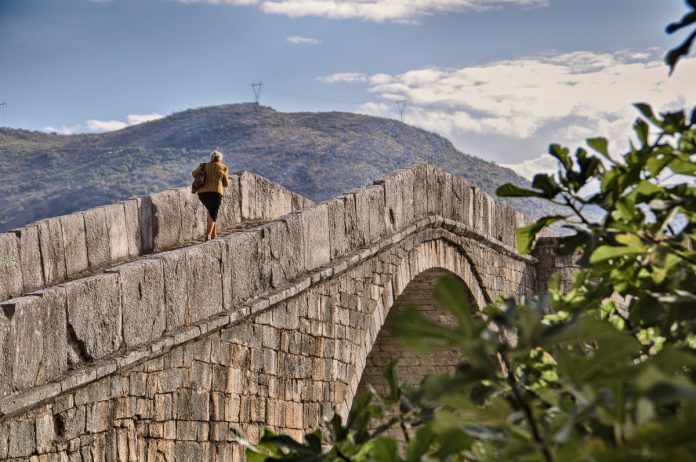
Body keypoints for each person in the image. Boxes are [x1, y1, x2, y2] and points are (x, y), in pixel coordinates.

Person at [192, 150, 229, 241]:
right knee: (213, 213)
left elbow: (194, 174)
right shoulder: (224, 167)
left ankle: (214, 235)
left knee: (211, 212)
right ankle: (208, 236)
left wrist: (201, 166)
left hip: (202, 193)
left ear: (211, 158)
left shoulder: (204, 166)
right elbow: (226, 184)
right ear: (220, 159)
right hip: (216, 193)